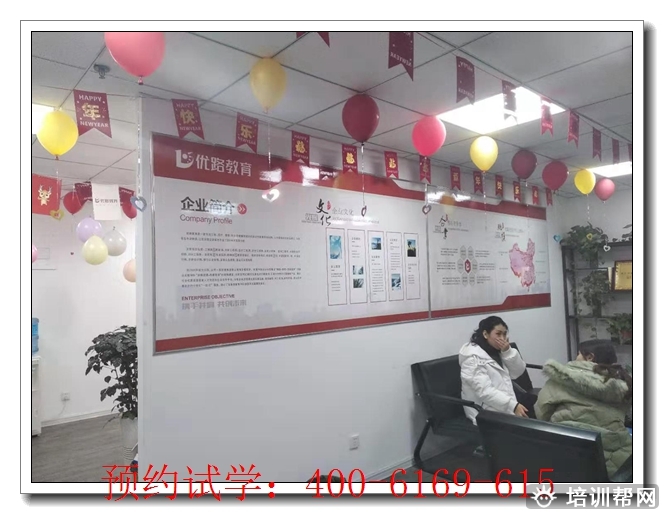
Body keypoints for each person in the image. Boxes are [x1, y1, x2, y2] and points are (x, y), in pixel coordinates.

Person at [534, 340, 633, 478]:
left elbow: (541, 413)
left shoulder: (560, 378)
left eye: (578, 354)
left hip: (561, 455)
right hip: (611, 464)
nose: (576, 358)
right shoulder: (623, 384)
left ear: (590, 357)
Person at [459, 316, 530, 425]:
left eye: (505, 334)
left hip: (503, 406)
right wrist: (512, 405)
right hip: (483, 412)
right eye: (498, 334)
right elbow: (485, 391)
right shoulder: (472, 359)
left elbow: (518, 372)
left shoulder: (497, 351)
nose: (502, 338)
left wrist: (508, 352)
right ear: (485, 334)